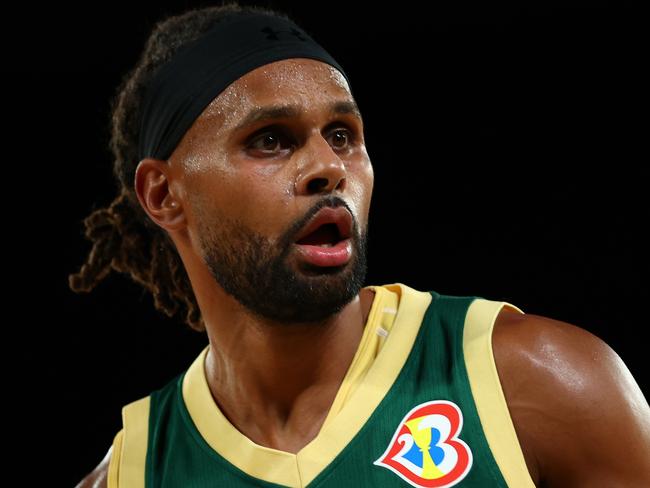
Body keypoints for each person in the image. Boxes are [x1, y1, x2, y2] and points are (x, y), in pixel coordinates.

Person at [70, 2, 650, 487]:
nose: (328, 167)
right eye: (271, 140)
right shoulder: (133, 472)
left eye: (343, 135)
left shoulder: (539, 383)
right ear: (164, 195)